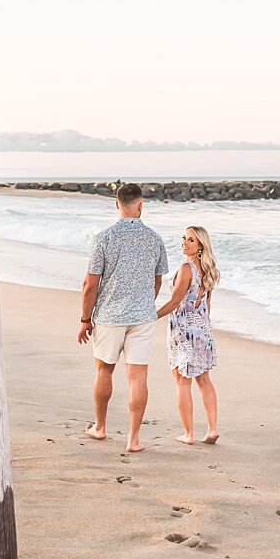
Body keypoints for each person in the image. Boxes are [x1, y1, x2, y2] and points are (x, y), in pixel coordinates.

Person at [77, 182, 167, 453]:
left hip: (109, 316)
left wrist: (85, 319)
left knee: (104, 369)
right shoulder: (154, 239)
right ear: (141, 206)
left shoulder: (104, 238)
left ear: (117, 204)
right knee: (138, 377)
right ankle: (134, 439)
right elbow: (157, 280)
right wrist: (143, 305)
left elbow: (90, 285)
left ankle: (100, 428)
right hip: (142, 316)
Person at [156, 226, 221, 445]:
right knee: (203, 379)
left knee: (182, 381)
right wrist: (204, 330)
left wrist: (151, 316)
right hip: (202, 328)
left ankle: (189, 434)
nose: (184, 242)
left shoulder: (186, 268)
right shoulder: (208, 270)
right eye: (184, 238)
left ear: (200, 245)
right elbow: (207, 304)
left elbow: (175, 302)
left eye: (191, 240)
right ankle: (212, 429)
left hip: (183, 330)